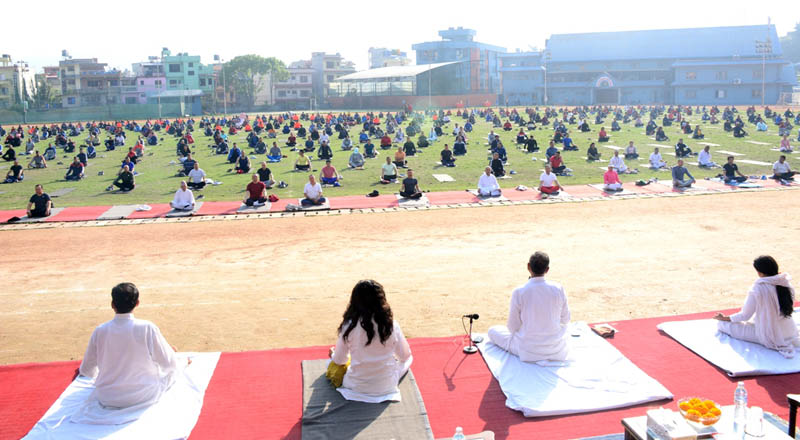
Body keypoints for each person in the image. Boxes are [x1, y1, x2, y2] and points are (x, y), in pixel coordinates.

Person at [76, 283, 183, 422]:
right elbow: (169, 364)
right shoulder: (147, 327)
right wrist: (176, 358)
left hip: (107, 397)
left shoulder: (100, 330)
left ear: (112, 304)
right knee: (174, 368)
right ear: (137, 303)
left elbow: (86, 370)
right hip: (143, 394)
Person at [327, 280, 412, 402]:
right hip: (387, 386)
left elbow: (340, 360)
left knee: (330, 363)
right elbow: (405, 356)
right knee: (408, 360)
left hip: (355, 386)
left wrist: (333, 355)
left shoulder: (349, 326)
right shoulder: (391, 325)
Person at [487, 251, 570, 361]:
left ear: (528, 266)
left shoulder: (519, 291)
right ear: (547, 269)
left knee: (492, 331)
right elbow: (566, 319)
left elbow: (512, 327)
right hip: (556, 350)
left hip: (528, 350)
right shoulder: (558, 288)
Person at [714, 256, 799, 357]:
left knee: (722, 325)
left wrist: (724, 318)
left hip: (770, 335)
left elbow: (745, 316)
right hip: (790, 332)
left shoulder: (758, 288)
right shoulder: (786, 282)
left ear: (760, 272)